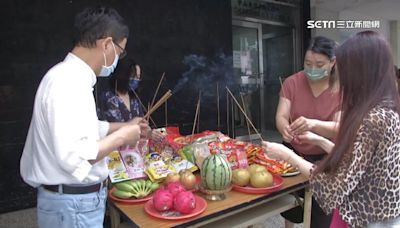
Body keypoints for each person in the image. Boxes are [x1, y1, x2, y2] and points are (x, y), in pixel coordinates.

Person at [20, 7, 150, 228]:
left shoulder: (70, 78)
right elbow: (76, 154)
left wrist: (122, 126)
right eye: (120, 51)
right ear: (107, 44)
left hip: (74, 204)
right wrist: (123, 136)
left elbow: (85, 130)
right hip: (72, 207)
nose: (118, 58)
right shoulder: (68, 82)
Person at [264, 31, 400, 227]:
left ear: (361, 73)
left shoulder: (373, 120)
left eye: (343, 70)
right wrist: (319, 140)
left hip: (368, 219)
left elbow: (333, 187)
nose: (339, 78)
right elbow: (358, 160)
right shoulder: (385, 110)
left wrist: (287, 155)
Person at [276, 36, 340, 228]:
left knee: (321, 212)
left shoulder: (341, 88)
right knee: (291, 206)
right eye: (308, 63)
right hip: (292, 151)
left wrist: (313, 125)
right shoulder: (292, 83)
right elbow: (281, 115)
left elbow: (339, 128)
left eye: (319, 64)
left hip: (324, 157)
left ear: (332, 63)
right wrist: (284, 129)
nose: (312, 69)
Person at [98, 57, 163, 141]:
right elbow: (115, 130)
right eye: (132, 76)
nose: (135, 80)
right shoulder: (108, 98)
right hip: (113, 148)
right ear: (122, 75)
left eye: (138, 77)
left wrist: (150, 133)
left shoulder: (134, 98)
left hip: (134, 146)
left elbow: (142, 123)